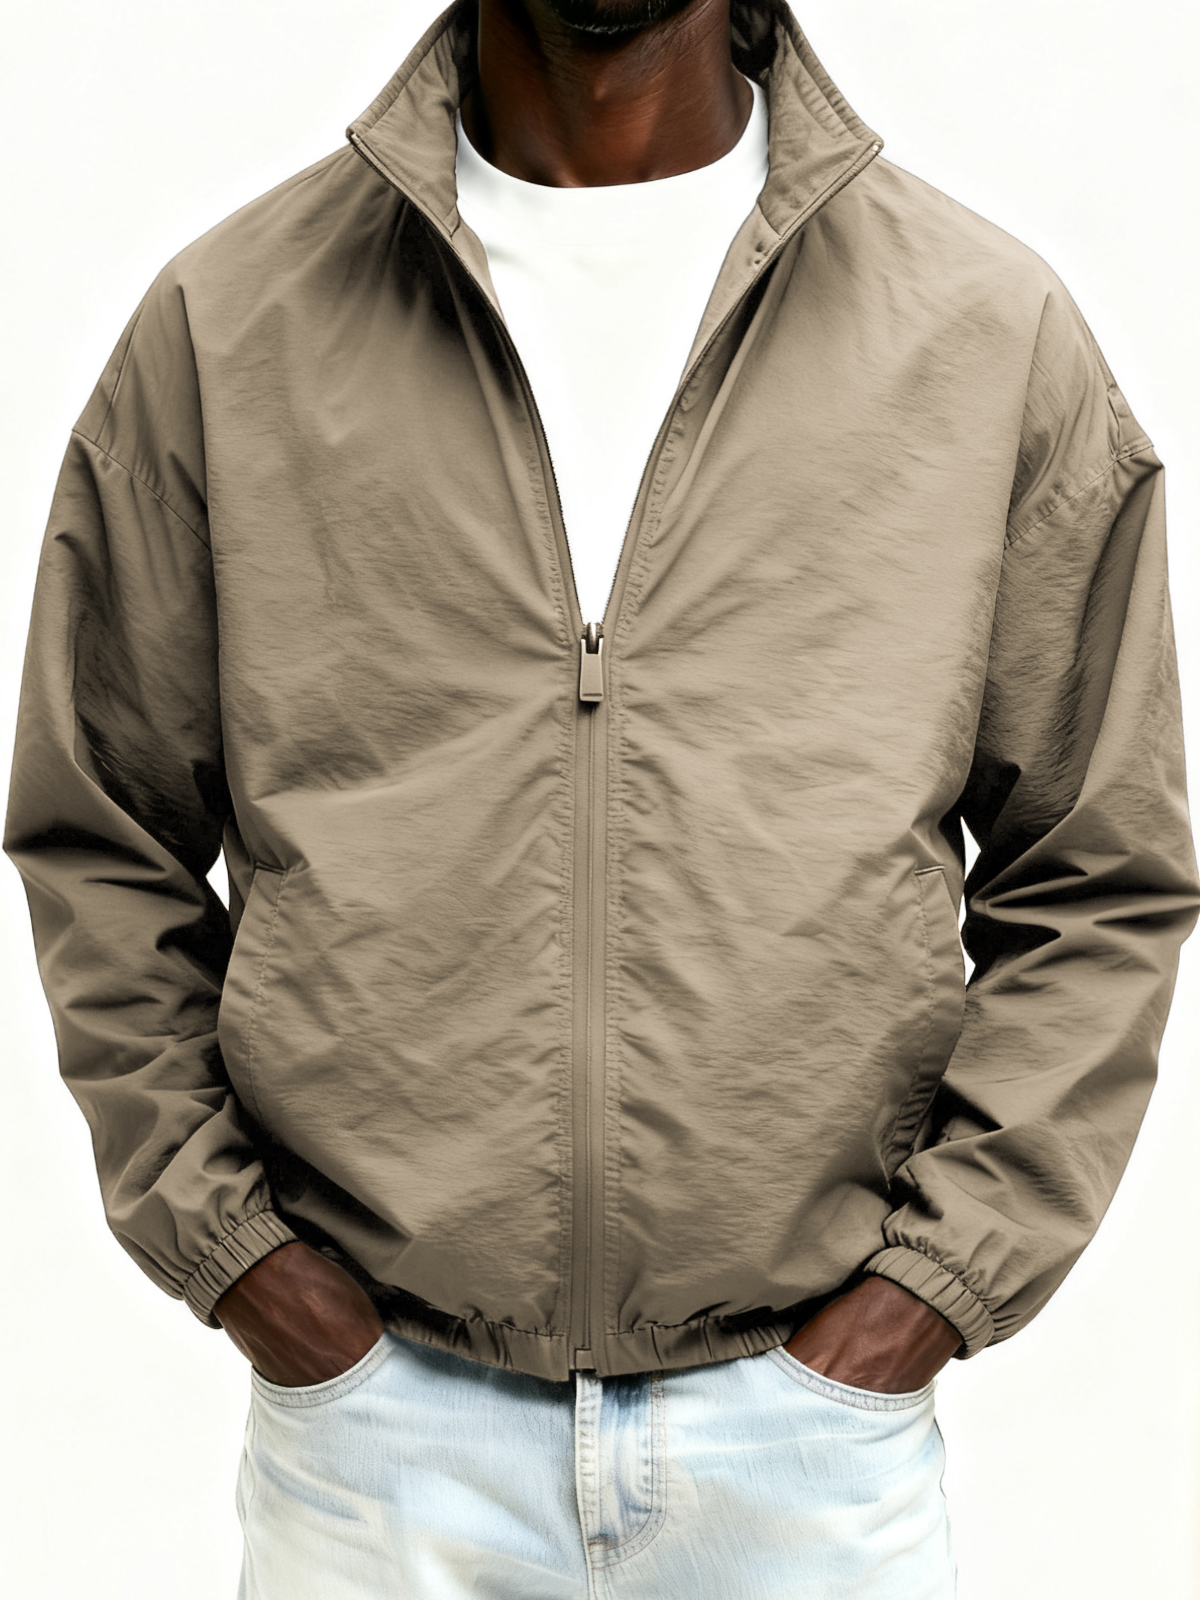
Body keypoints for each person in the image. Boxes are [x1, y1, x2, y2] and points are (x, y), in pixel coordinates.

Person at [5, 0, 1196, 1592]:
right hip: (382, 1453)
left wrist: (930, 1288)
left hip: (805, 1451)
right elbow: (102, 832)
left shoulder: (986, 332)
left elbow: (1099, 869)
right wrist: (242, 1260)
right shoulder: (230, 330)